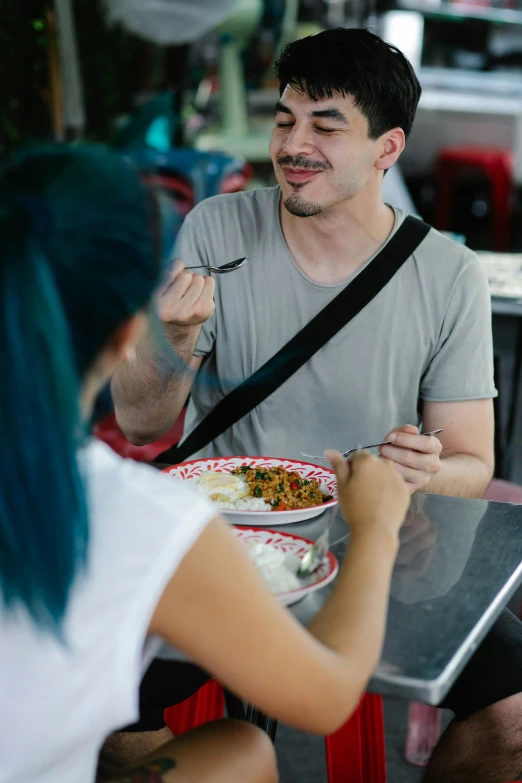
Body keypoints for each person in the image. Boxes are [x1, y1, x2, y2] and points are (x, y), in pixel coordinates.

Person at [111, 28, 522, 783]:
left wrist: (424, 473)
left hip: (381, 556)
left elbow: (472, 461)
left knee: (515, 722)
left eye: (325, 126)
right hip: (220, 553)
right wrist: (169, 340)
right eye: (285, 119)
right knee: (102, 713)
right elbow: (142, 423)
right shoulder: (214, 227)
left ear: (387, 149)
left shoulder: (447, 272)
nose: (294, 144)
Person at [0, 143, 411, 783]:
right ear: (128, 333)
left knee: (239, 749)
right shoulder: (136, 518)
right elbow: (326, 698)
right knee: (247, 749)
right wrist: (379, 525)